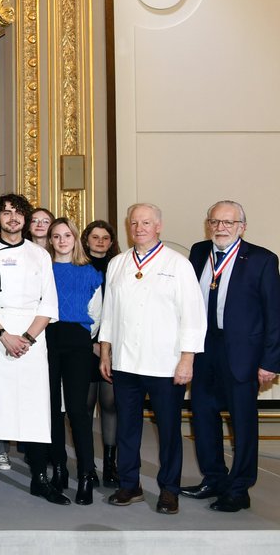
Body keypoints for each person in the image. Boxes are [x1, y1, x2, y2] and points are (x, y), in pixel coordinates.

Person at [98, 203, 204, 515]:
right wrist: (105, 351)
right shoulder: (117, 263)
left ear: (158, 226)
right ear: (129, 227)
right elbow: (109, 312)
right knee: (127, 427)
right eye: (134, 223)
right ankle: (129, 485)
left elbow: (193, 316)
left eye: (146, 222)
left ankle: (169, 490)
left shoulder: (178, 264)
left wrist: (187, 359)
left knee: (169, 429)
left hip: (165, 363)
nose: (140, 228)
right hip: (126, 361)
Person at [181, 201, 280, 512]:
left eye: (228, 222)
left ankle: (239, 488)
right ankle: (214, 479)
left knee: (243, 423)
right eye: (215, 221)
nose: (220, 228)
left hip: (243, 354)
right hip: (203, 349)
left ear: (242, 226)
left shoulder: (262, 259)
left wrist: (270, 361)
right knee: (203, 415)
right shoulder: (198, 252)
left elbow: (274, 314)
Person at [0, 194, 66, 505]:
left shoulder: (39, 255)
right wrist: (4, 335)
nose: (12, 218)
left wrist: (27, 339)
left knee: (35, 409)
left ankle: (39, 479)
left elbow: (48, 303)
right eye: (6, 213)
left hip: (34, 338)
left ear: (25, 218)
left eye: (18, 213)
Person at [46, 217, 104, 504]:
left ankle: (85, 475)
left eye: (67, 235)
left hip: (78, 342)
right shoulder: (43, 270)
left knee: (78, 412)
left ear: (75, 238)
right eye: (56, 236)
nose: (62, 240)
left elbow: (96, 314)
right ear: (50, 240)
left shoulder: (90, 272)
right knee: (53, 410)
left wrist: (83, 337)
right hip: (48, 341)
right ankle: (58, 469)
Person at [81, 219, 120, 487]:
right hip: (84, 343)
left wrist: (107, 344)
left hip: (113, 343)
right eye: (95, 237)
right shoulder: (77, 266)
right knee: (83, 406)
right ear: (86, 239)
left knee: (110, 404)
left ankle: (110, 465)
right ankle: (88, 465)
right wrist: (91, 343)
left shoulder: (120, 267)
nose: (100, 242)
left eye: (105, 238)